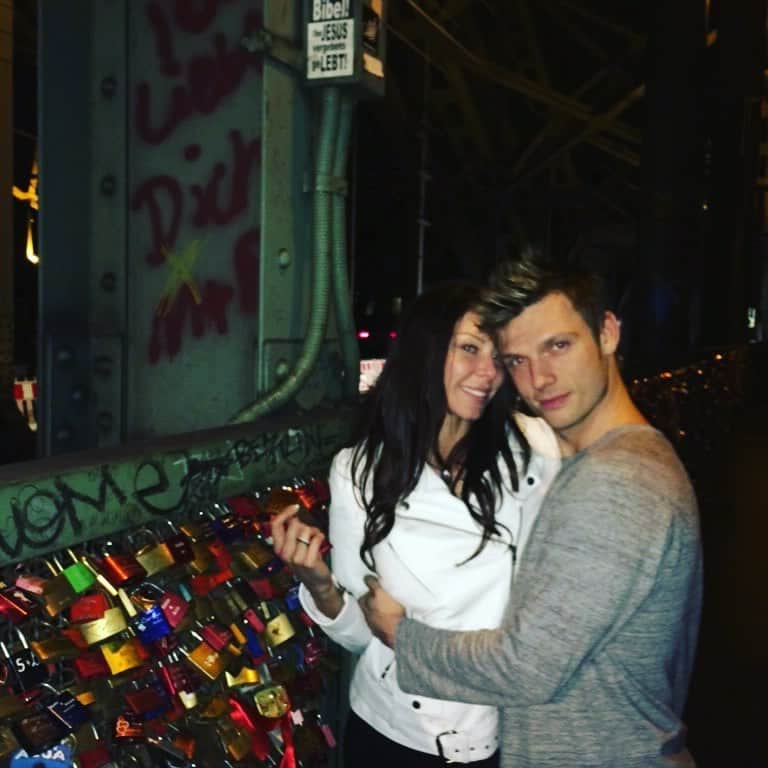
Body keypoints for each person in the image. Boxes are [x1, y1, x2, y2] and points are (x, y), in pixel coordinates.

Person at [361, 254, 703, 768]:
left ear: (607, 333)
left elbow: (523, 668)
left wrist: (397, 634)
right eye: (517, 360)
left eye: (558, 345)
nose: (540, 377)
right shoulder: (612, 461)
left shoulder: (616, 483)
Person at [271, 280, 560, 767]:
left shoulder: (534, 449)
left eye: (497, 355)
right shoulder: (360, 472)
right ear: (425, 353)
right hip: (396, 734)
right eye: (468, 349)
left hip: (507, 735)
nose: (486, 373)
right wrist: (319, 583)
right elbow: (366, 637)